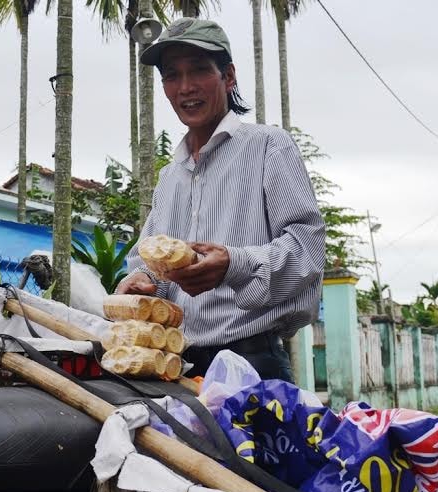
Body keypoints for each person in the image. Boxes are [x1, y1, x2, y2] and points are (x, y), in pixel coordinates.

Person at [116, 18, 325, 382]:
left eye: (199, 70)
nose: (185, 87)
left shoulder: (268, 147)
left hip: (253, 363)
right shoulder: (170, 177)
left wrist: (234, 263)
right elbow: (153, 268)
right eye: (171, 75)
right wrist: (142, 281)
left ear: (228, 76)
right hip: (178, 366)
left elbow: (307, 252)